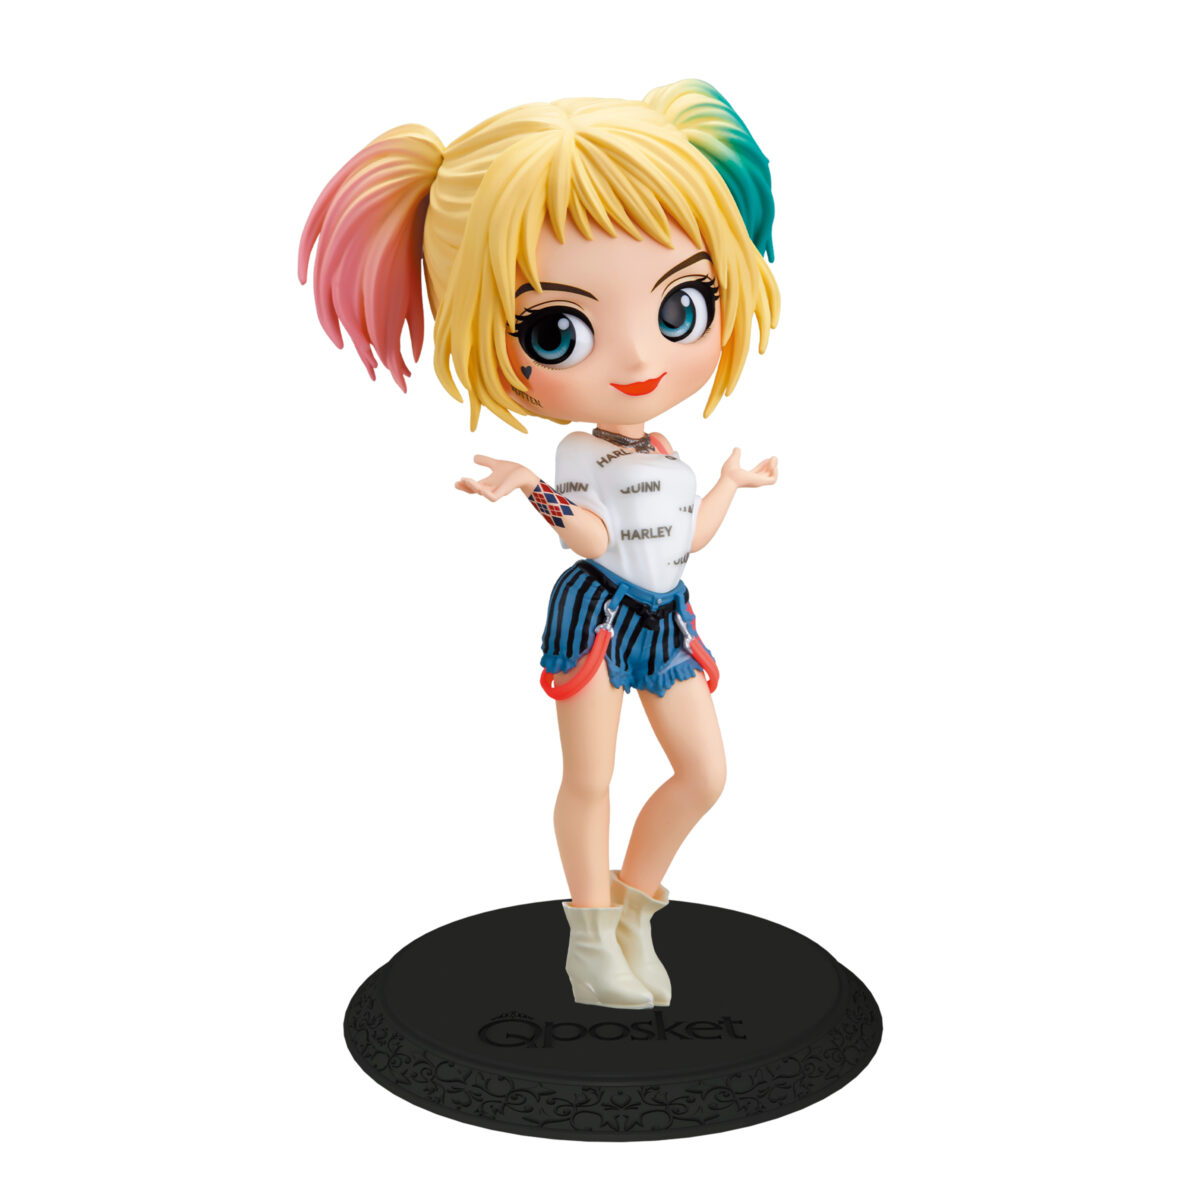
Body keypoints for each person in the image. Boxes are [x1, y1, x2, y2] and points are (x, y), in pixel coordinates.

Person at [299, 80, 781, 1009]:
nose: (639, 360)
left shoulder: (666, 455)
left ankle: (636, 908)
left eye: (681, 306)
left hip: (665, 616)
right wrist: (534, 492)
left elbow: (681, 543)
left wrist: (728, 485)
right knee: (591, 778)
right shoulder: (578, 459)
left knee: (704, 773)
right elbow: (596, 540)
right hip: (596, 617)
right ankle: (590, 941)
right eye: (558, 330)